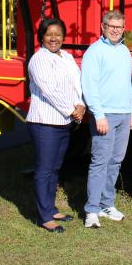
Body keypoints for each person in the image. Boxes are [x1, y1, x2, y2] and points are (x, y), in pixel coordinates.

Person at [26, 17, 86, 233]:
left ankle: (51, 208)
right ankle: (44, 216)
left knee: (54, 167)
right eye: (49, 34)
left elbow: (78, 83)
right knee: (44, 169)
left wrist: (81, 104)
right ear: (42, 36)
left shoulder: (66, 57)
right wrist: (72, 110)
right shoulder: (38, 59)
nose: (54, 38)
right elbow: (50, 91)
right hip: (45, 123)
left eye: (58, 34)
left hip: (64, 122)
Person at [81, 9, 132, 229]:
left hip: (123, 114)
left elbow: (128, 83)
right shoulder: (94, 52)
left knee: (115, 162)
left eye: (119, 27)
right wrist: (98, 114)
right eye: (111, 26)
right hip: (105, 115)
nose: (115, 30)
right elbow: (89, 85)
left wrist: (131, 110)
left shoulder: (124, 51)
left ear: (123, 29)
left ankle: (106, 204)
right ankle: (91, 210)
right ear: (103, 27)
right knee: (100, 163)